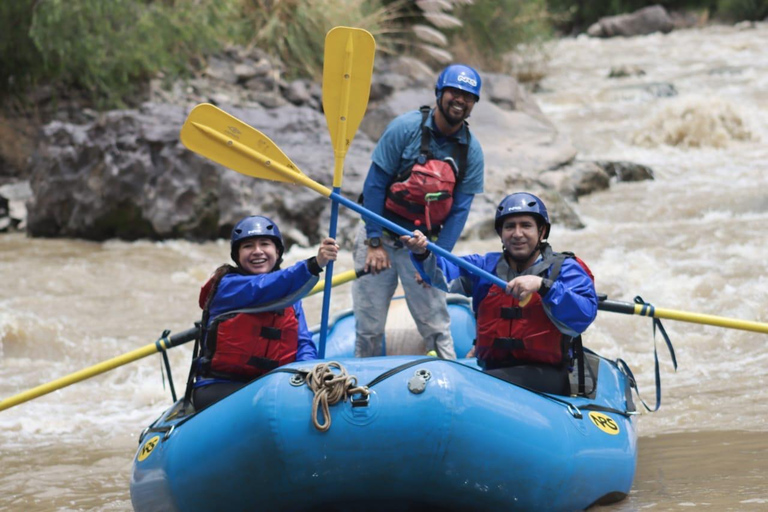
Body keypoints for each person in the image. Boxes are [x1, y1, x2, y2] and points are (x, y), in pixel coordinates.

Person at [402, 192, 598, 396]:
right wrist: (422, 253)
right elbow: (442, 273)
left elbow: (583, 315)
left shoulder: (565, 270)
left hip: (547, 375)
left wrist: (544, 286)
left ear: (542, 232)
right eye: (510, 226)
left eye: (526, 225)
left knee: (470, 386)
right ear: (501, 233)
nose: (517, 233)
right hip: (493, 370)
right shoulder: (484, 267)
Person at [352, 64, 485, 359]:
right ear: (440, 93)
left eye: (468, 96)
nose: (460, 100)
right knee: (369, 326)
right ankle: (362, 387)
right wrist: (374, 242)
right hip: (380, 238)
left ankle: (448, 380)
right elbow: (374, 186)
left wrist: (434, 260)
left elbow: (460, 211)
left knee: (437, 326)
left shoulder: (471, 151)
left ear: (474, 104)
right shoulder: (405, 128)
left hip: (424, 246)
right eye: (454, 92)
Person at [190, 215, 338, 409]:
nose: (257, 251)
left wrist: (309, 374)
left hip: (272, 384)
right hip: (220, 386)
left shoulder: (290, 296)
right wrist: (314, 264)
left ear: (277, 251)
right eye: (248, 246)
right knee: (267, 401)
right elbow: (263, 287)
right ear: (237, 255)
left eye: (265, 244)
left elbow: (303, 343)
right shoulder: (228, 287)